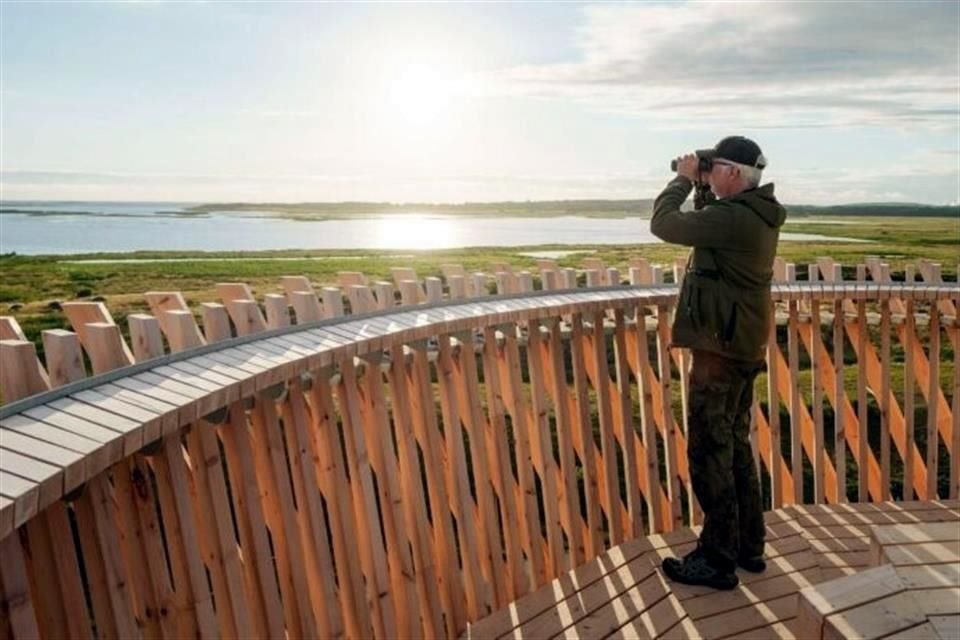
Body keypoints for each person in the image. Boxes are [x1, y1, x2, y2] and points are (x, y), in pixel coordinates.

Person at [650, 136, 786, 590]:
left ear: (733, 173)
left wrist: (683, 180)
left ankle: (716, 557)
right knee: (735, 449)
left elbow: (666, 224)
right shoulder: (753, 214)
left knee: (710, 451)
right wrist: (704, 185)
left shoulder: (734, 218)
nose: (707, 173)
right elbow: (708, 225)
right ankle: (748, 545)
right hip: (740, 346)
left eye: (714, 168)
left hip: (720, 352)